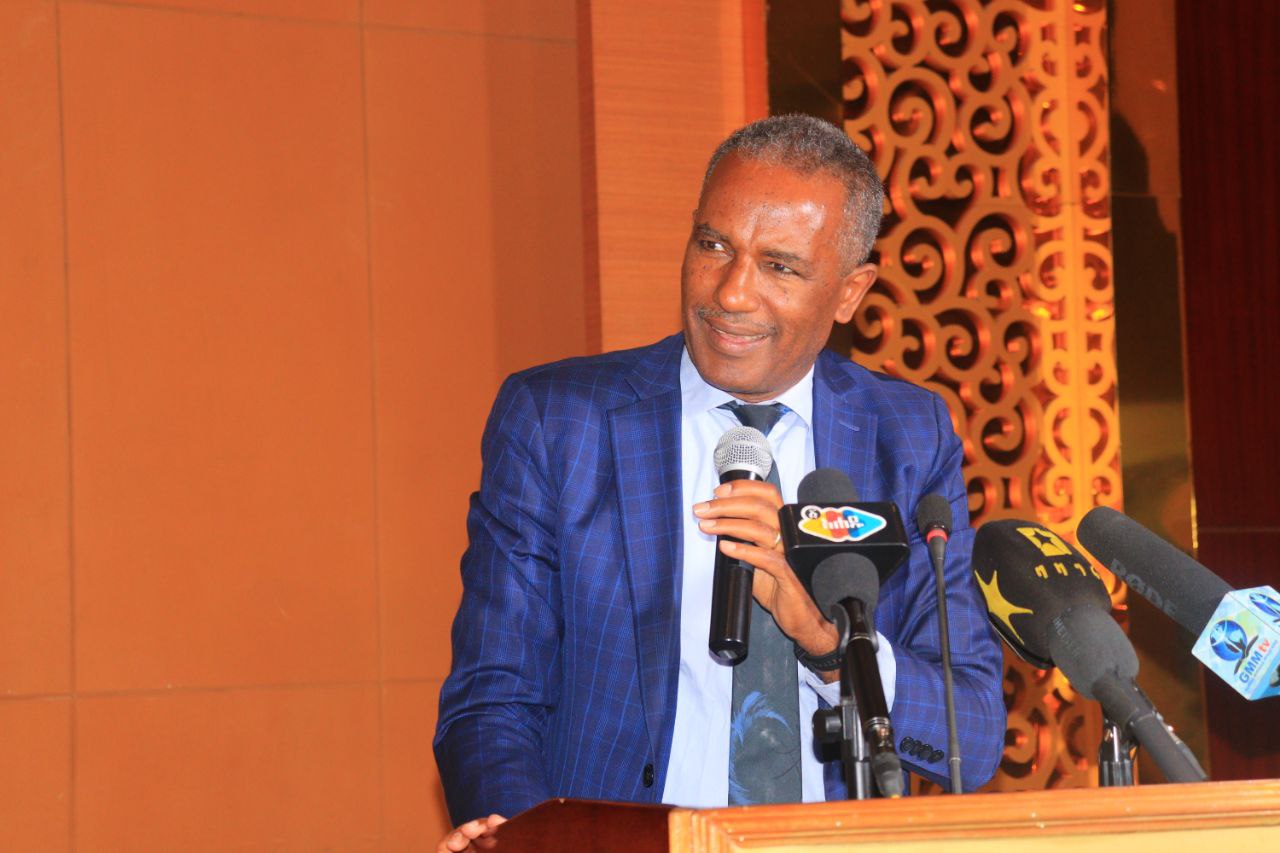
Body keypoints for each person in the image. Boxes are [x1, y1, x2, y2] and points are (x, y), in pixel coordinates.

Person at [433, 115, 1006, 849]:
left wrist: (827, 643)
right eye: (713, 246)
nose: (732, 293)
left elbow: (972, 732)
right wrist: (532, 839)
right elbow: (490, 702)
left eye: (780, 267)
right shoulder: (560, 422)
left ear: (849, 291)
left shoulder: (907, 435)